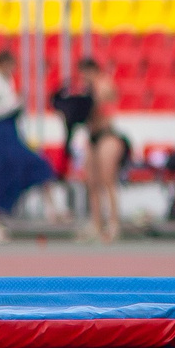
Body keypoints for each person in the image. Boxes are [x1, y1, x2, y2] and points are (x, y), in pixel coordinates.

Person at [0, 47, 56, 243]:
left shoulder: (6, 80)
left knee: (34, 164)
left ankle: (49, 208)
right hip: (0, 131)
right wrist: (14, 105)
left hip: (12, 132)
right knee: (2, 173)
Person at [68, 56, 127, 244]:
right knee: (91, 182)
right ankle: (96, 222)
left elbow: (104, 102)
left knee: (108, 181)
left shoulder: (103, 85)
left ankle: (114, 222)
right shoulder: (87, 89)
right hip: (92, 137)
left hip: (107, 135)